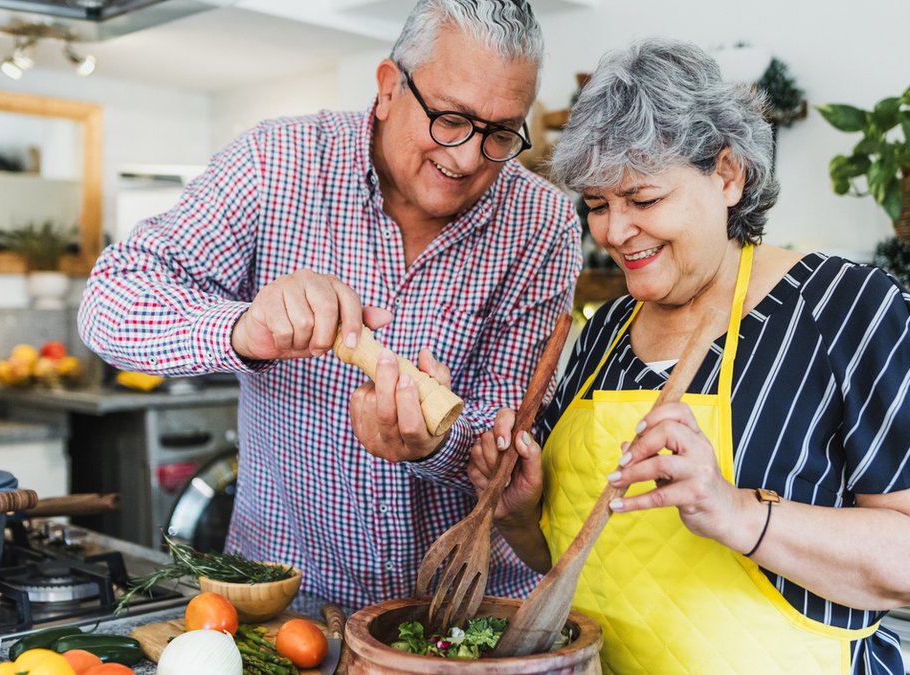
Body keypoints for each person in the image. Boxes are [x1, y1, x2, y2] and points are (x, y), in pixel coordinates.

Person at [470, 38, 910, 673]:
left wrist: (734, 512)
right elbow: (577, 565)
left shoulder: (847, 309)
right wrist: (516, 518)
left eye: (643, 200)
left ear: (728, 175)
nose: (615, 231)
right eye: (597, 205)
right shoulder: (606, 334)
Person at [79, 0, 581, 611]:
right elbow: (110, 300)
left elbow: (511, 434)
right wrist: (245, 329)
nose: (469, 157)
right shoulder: (276, 163)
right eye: (451, 119)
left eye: (501, 132)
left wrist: (435, 446)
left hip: (462, 609)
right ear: (389, 87)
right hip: (287, 602)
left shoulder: (542, 221)